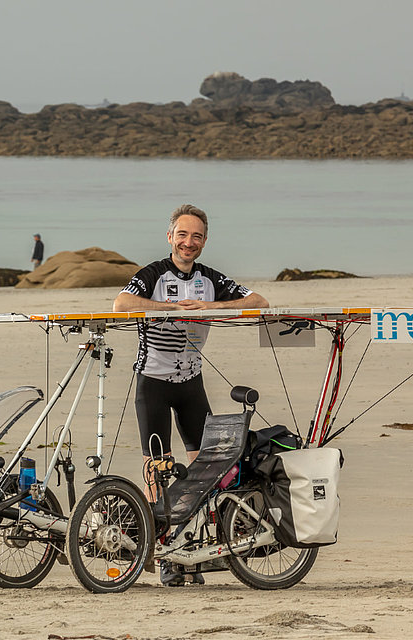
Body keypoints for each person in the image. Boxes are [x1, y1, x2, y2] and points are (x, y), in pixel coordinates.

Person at [113, 204, 267, 585]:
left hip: (191, 385)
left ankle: (190, 554)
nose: (189, 242)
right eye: (182, 235)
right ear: (170, 237)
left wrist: (210, 307)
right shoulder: (153, 274)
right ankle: (163, 554)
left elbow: (259, 302)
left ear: (204, 241)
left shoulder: (210, 279)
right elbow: (121, 305)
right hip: (153, 384)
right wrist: (167, 308)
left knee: (207, 469)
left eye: (196, 236)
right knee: (159, 471)